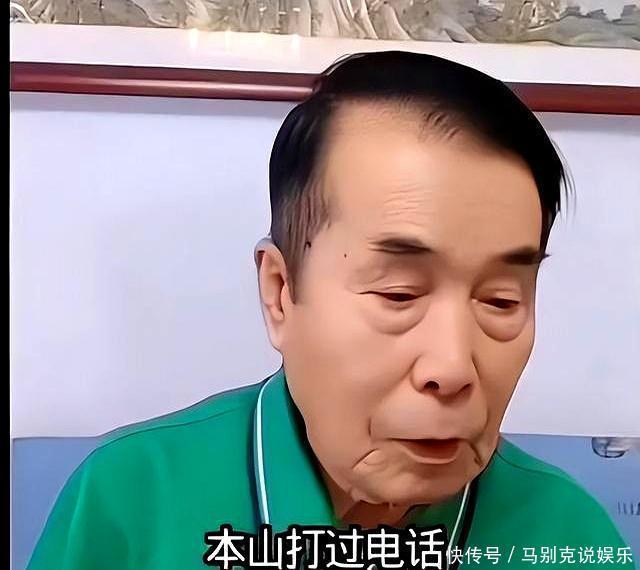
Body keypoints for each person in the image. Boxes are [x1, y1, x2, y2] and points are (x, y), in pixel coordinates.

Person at [27, 51, 633, 570]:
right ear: (280, 292)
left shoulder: (568, 534)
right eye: (399, 294)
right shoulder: (131, 501)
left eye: (501, 300)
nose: (452, 368)